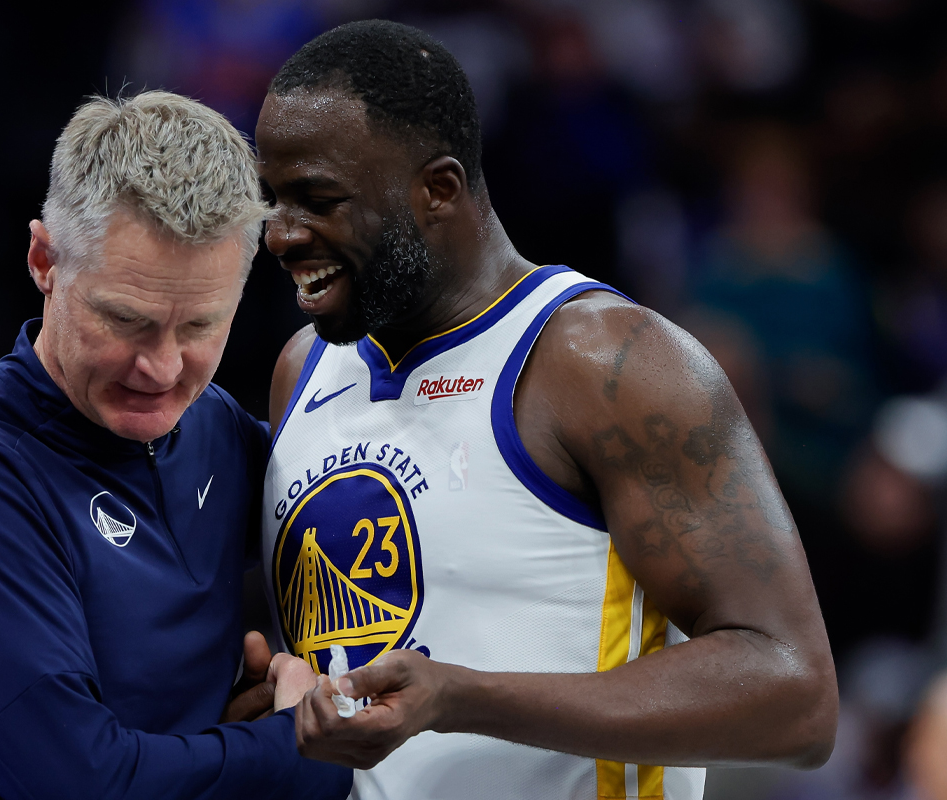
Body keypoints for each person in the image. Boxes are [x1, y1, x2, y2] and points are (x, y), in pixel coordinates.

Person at [256, 20, 838, 800]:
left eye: (318, 200)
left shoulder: (606, 363)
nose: (281, 234)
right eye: (273, 199)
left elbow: (795, 696)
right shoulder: (302, 370)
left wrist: (463, 699)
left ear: (438, 189)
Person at [0, 91, 351, 800]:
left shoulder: (213, 427)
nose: (160, 368)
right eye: (126, 320)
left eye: (198, 328)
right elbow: (85, 784)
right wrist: (303, 742)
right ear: (43, 260)